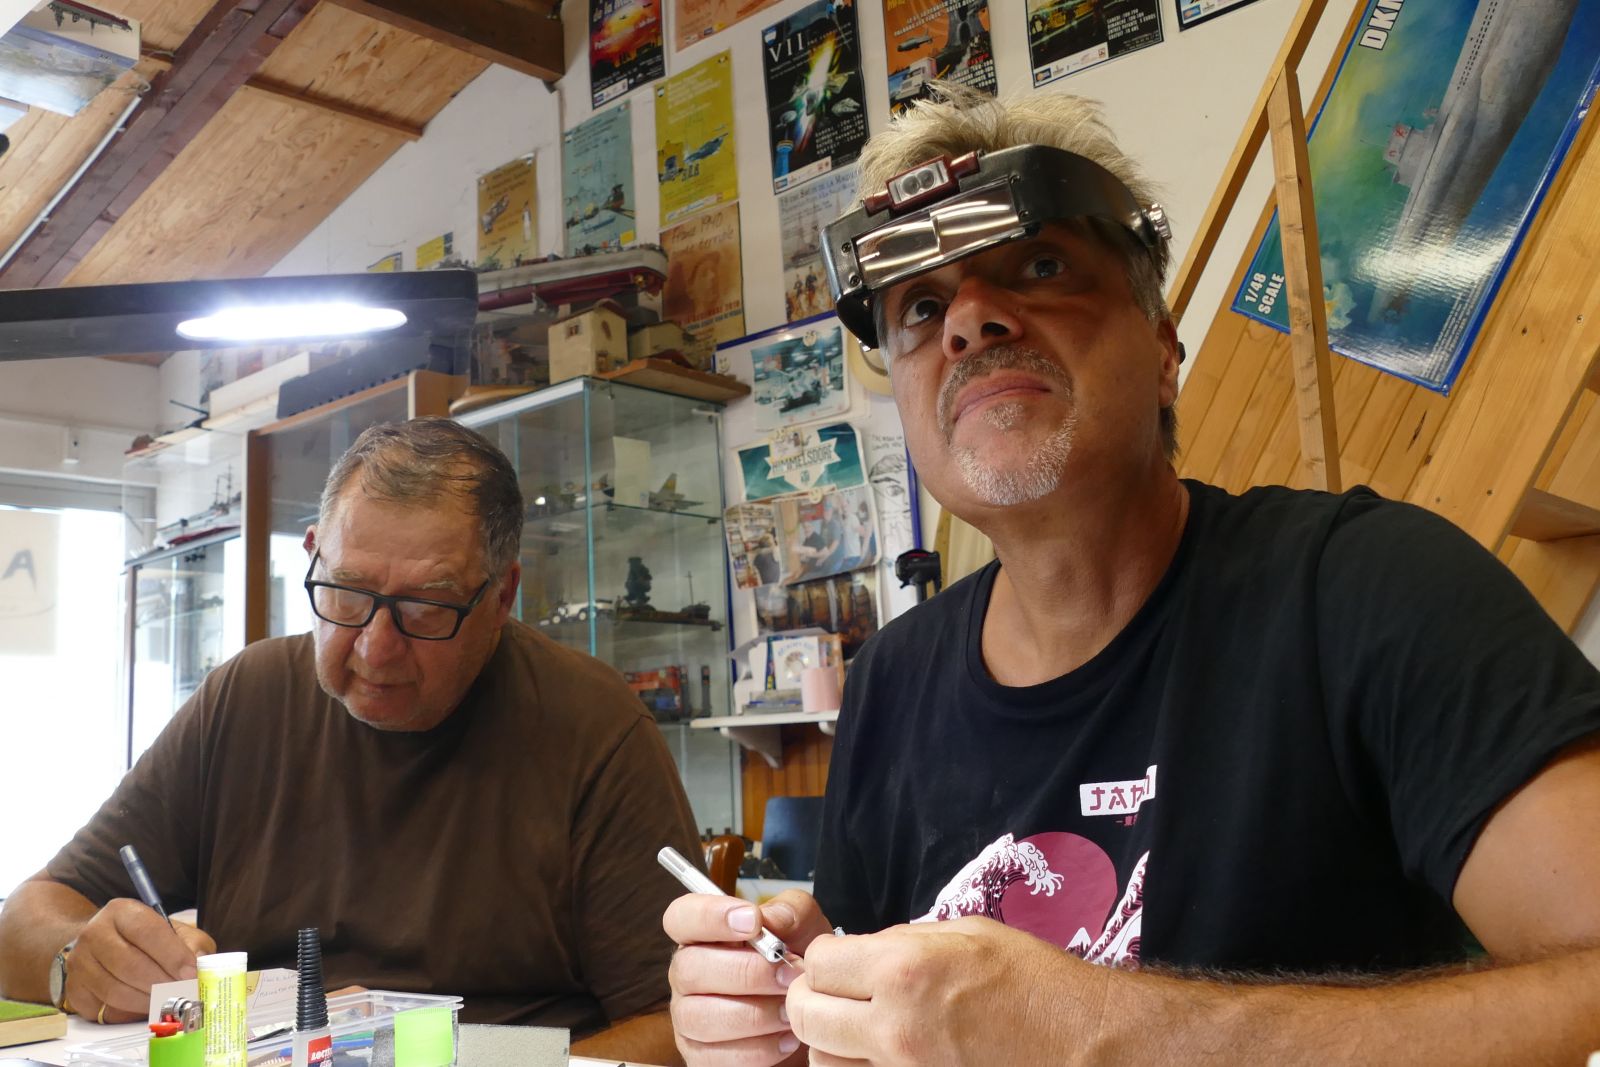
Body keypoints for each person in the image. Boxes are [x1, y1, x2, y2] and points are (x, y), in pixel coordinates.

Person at [664, 84, 1600, 1065]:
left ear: (1161, 352)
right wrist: (791, 1023)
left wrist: (1101, 1031)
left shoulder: (1371, 589)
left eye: (1040, 265)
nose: (969, 320)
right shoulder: (890, 681)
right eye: (923, 306)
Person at [0, 418, 698, 1066]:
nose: (374, 647)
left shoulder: (592, 727)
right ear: (313, 552)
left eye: (426, 607)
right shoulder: (245, 700)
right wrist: (74, 960)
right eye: (346, 592)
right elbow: (25, 918)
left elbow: (681, 1022)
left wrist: (476, 1063)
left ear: (501, 596)